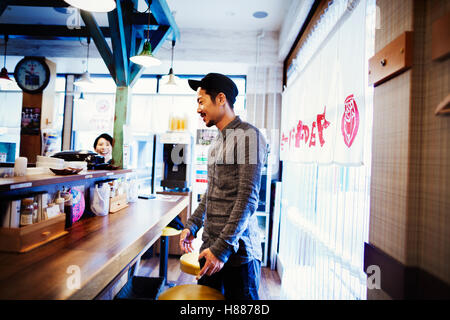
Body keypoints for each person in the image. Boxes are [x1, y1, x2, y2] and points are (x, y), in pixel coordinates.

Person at [179, 73, 267, 300]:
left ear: (220, 99)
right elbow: (212, 192)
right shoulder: (217, 141)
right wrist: (192, 225)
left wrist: (222, 250)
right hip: (209, 249)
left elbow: (247, 199)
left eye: (201, 101)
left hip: (238, 255)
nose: (198, 109)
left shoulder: (249, 135)